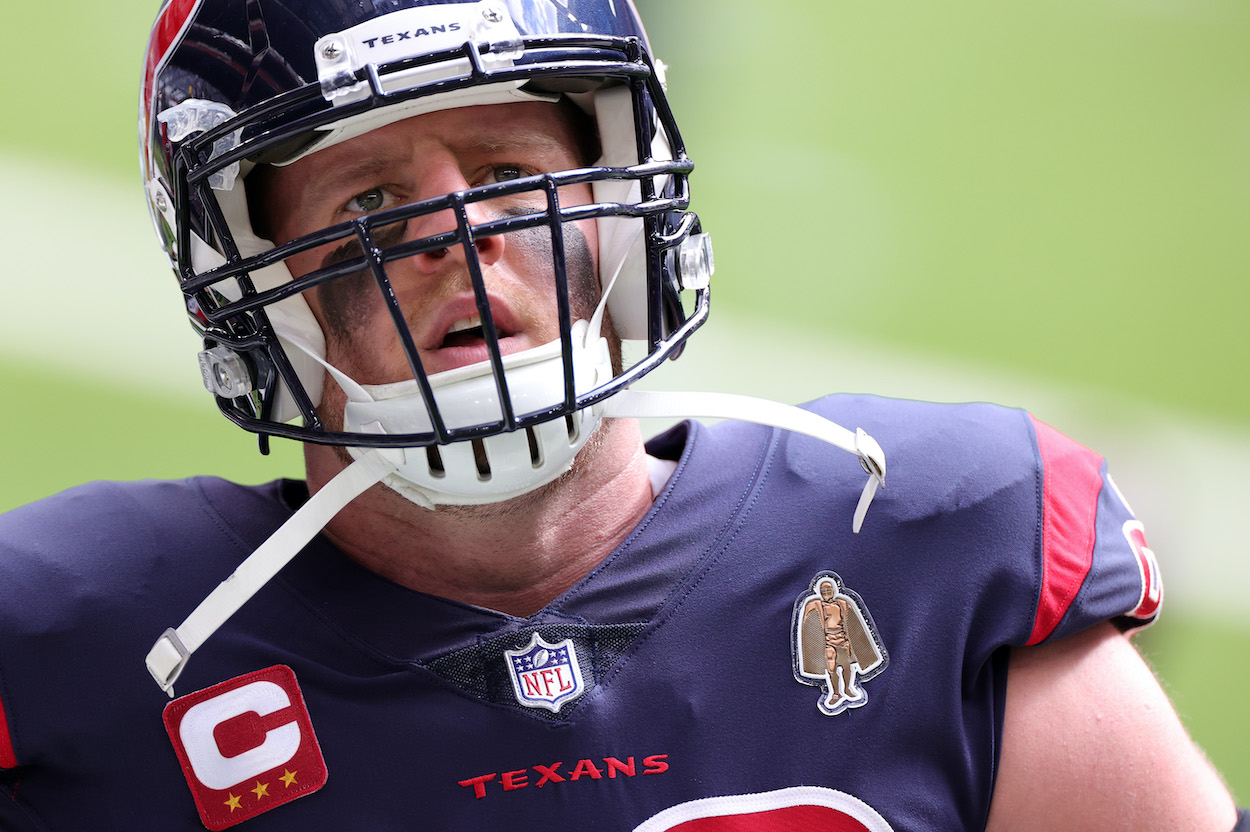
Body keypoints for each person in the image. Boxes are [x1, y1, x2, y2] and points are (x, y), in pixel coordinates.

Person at [0, 0, 1241, 828]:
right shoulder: (79, 651)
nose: (454, 235)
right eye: (370, 204)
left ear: (620, 206)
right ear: (253, 288)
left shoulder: (927, 541)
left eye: (507, 175)